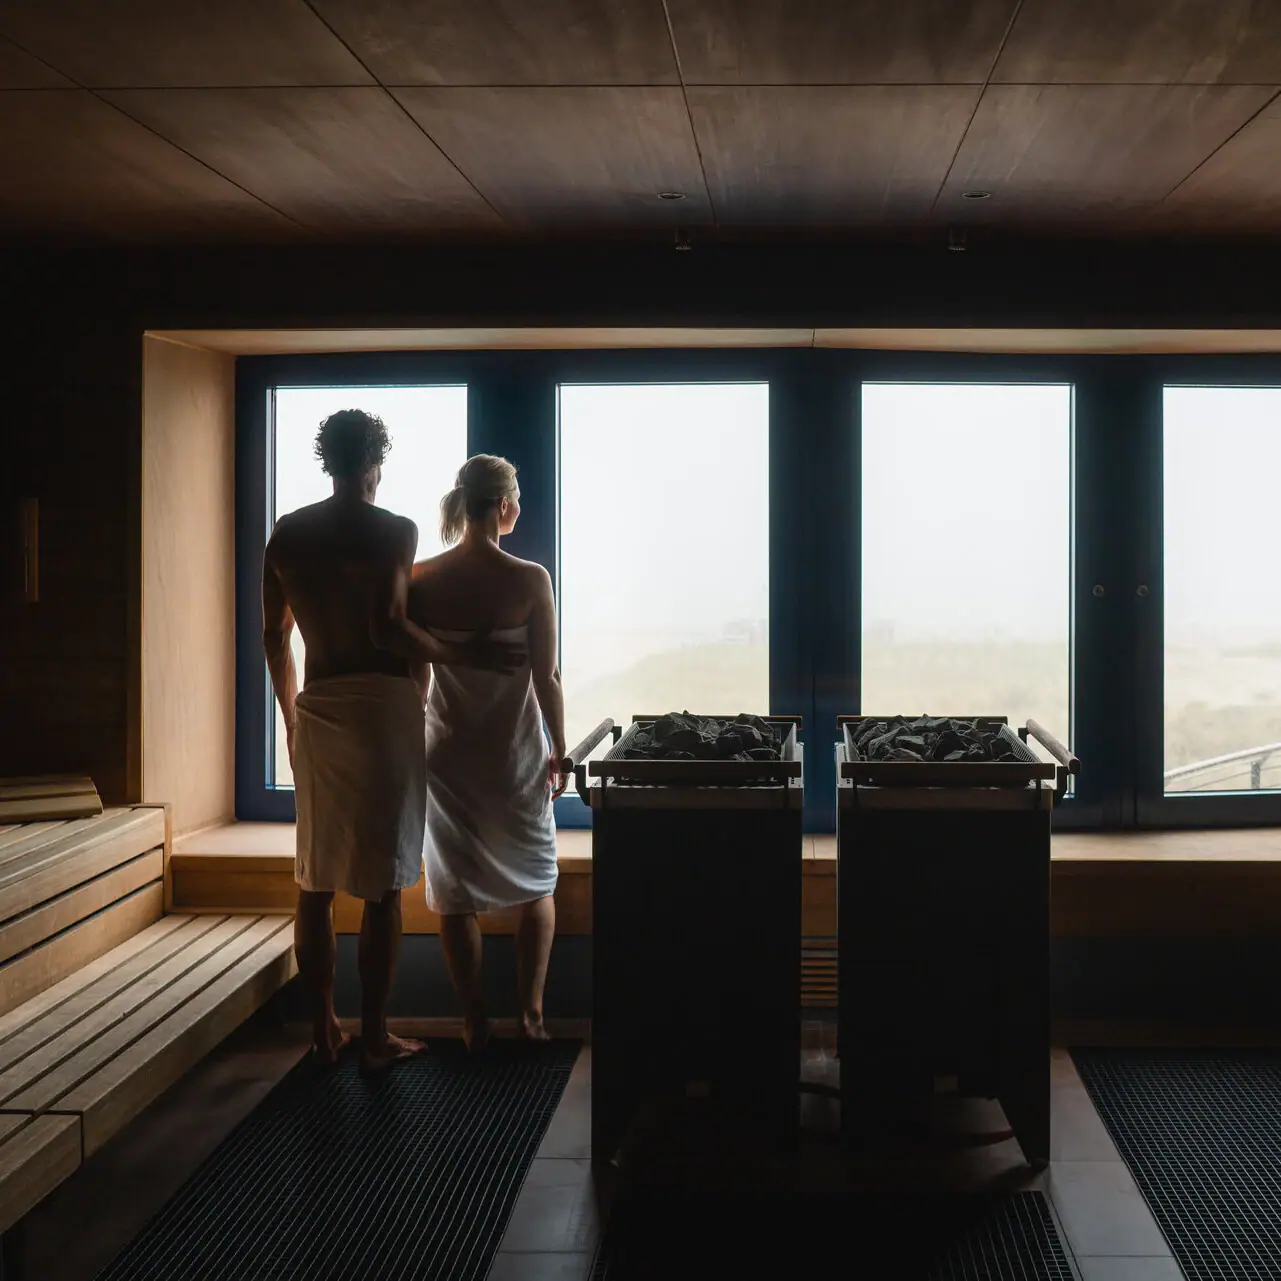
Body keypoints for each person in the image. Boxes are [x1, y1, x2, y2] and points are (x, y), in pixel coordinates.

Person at [262, 412, 524, 1072]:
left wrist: (290, 716)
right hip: (383, 709)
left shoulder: (287, 535)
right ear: (376, 461)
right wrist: (450, 651)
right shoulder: (393, 531)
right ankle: (375, 1033)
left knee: (315, 879)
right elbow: (387, 631)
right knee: (382, 885)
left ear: (327, 461)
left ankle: (324, 1028)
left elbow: (274, 635)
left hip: (317, 705)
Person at [408, 454, 567, 1051]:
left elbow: (417, 681)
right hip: (512, 753)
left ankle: (473, 1023)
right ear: (503, 506)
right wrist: (557, 749)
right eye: (518, 499)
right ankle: (530, 1016)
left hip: (445, 755)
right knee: (537, 883)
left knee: (455, 895)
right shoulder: (529, 580)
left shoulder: (422, 578)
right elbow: (545, 677)